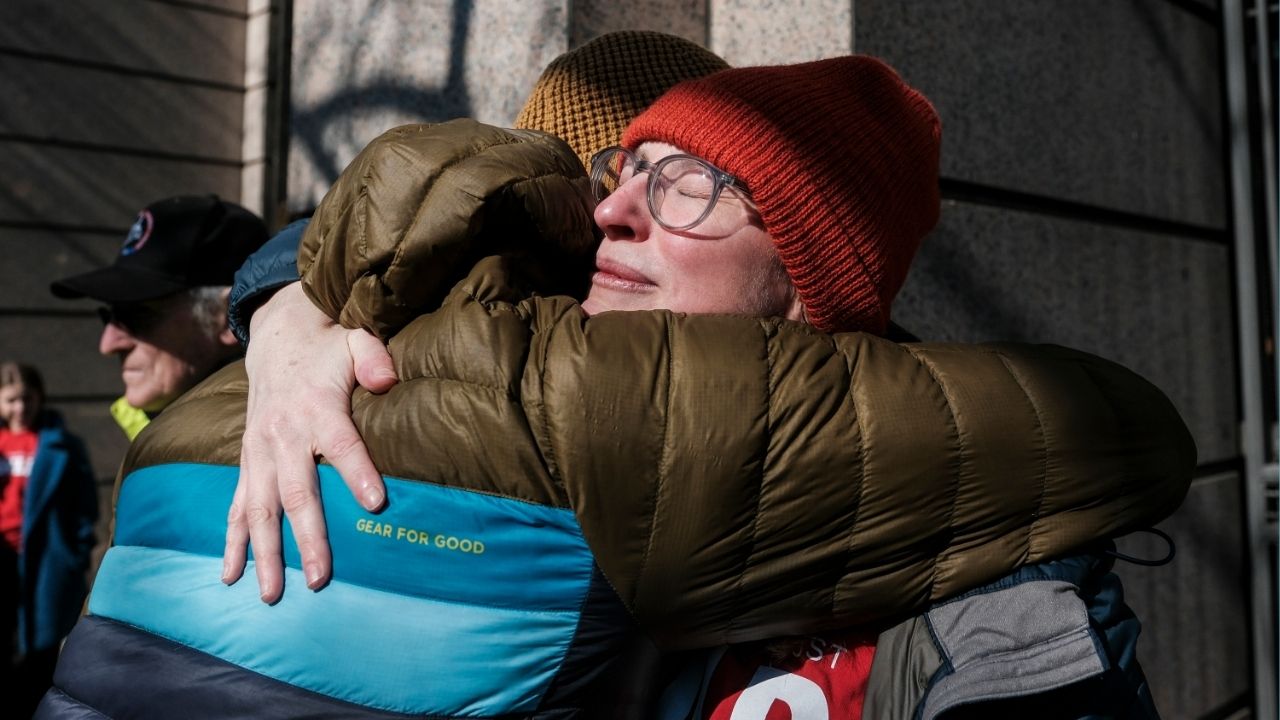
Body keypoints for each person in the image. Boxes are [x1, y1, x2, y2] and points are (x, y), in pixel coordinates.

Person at [41, 56, 1192, 718]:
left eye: (691, 185)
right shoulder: (480, 383)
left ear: (809, 277)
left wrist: (281, 298)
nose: (611, 212)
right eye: (621, 173)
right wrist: (286, 305)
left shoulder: (986, 577)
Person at [50, 195, 269, 440]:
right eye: (109, 316)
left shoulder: (263, 453)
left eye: (136, 315)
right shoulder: (175, 439)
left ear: (229, 316)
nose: (108, 344)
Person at [0, 362, 97, 717]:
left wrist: (75, 554)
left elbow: (84, 506)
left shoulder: (61, 445)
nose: (20, 408)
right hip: (4, 557)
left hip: (45, 559)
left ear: (39, 398)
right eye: (10, 400)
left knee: (41, 650)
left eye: (27, 399)